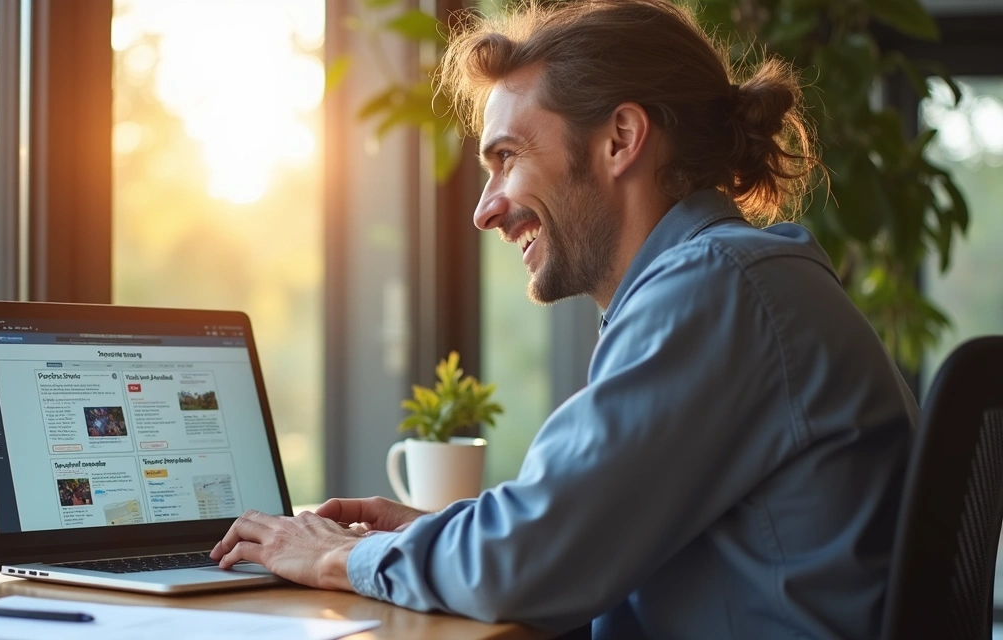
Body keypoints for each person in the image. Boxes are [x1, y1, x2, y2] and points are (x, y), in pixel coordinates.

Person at [209, 1, 918, 637]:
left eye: (508, 157)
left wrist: (340, 555)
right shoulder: (730, 280)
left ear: (621, 139)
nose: (486, 208)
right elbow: (569, 539)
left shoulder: (716, 288)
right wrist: (444, 535)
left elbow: (524, 565)